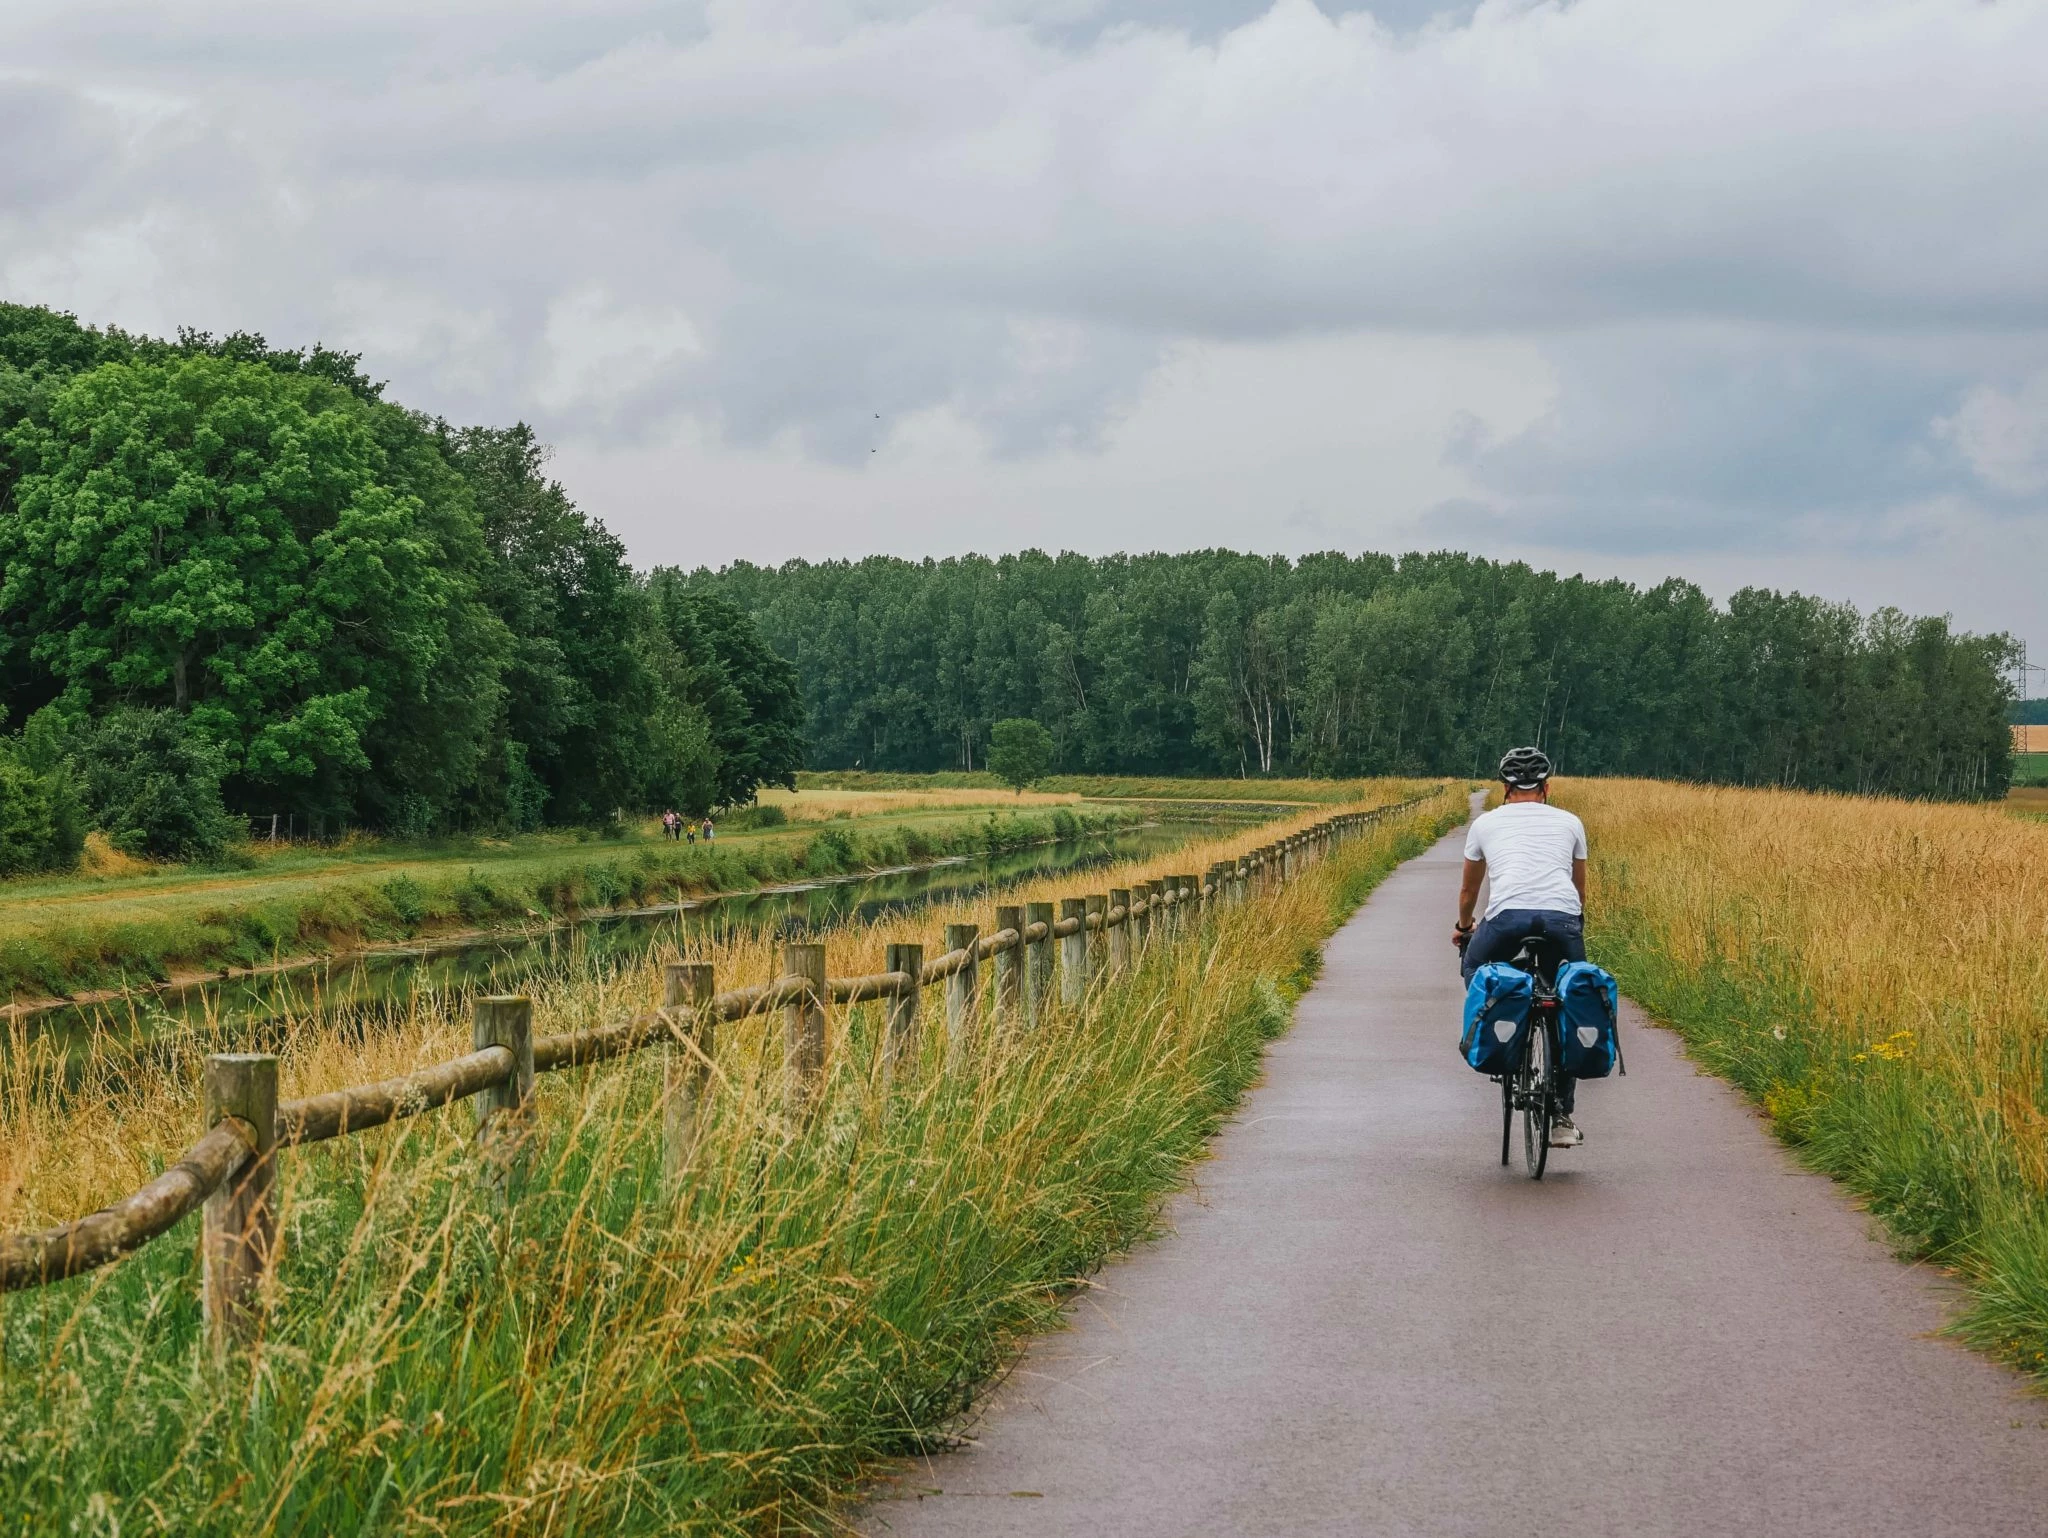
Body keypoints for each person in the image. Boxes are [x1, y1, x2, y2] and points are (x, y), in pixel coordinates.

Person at [1454, 745, 1591, 1148]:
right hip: (1561, 919)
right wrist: (1572, 925)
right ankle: (1562, 1117)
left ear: (1504, 789)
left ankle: (1503, 1032)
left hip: (1506, 919)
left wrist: (1464, 928)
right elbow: (1578, 888)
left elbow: (1468, 890)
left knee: (1474, 967)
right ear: (1546, 788)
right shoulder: (1571, 822)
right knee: (1566, 998)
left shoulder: (1486, 824)